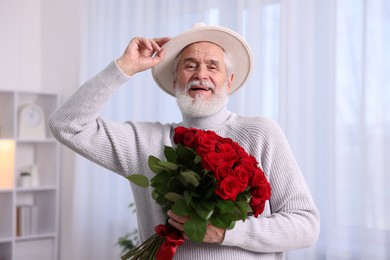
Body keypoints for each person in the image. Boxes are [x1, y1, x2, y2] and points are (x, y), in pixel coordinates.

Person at [49, 23, 320, 259]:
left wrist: (226, 232)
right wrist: (124, 67)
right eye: (190, 65)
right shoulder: (144, 141)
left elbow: (306, 226)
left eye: (212, 66)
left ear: (229, 82)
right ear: (175, 80)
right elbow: (67, 125)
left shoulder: (261, 132)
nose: (201, 74)